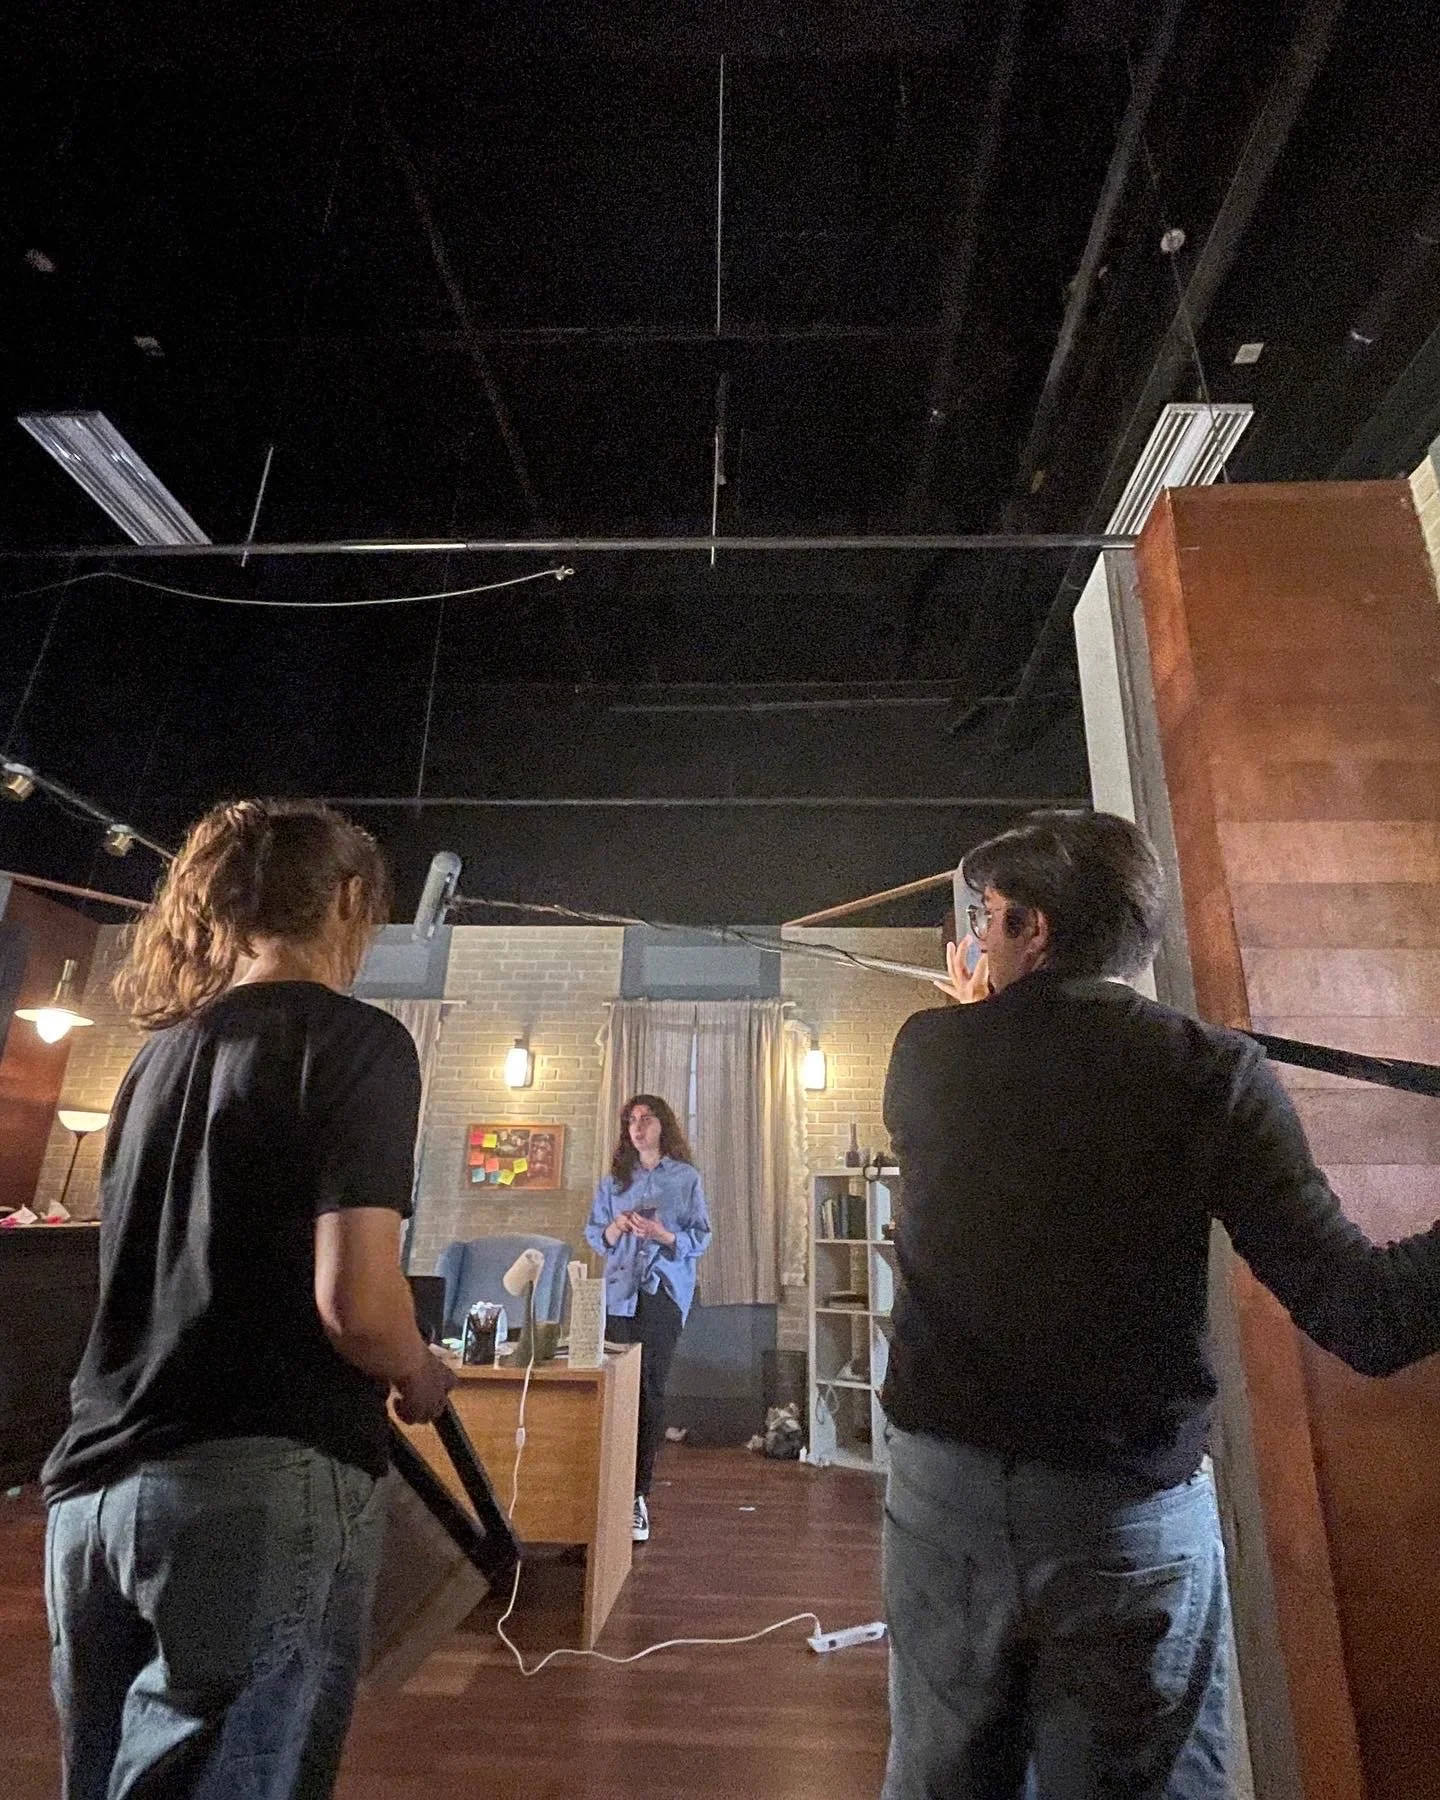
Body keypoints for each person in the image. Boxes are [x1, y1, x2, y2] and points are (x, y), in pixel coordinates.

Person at [879, 808, 1440, 1800]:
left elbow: (1008, 1072)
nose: (978, 940)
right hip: (1117, 1517)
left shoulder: (928, 1053)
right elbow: (1368, 1315)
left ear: (1034, 929)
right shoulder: (1213, 1074)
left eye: (989, 916)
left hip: (942, 1498)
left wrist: (985, 1019)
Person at [42, 798, 454, 1800]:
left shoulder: (156, 1057)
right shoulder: (358, 1042)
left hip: (94, 1494)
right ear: (348, 898)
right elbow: (357, 1303)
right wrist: (418, 1369)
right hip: (255, 1488)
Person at [585, 1094, 711, 1542]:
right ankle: (608, 1490)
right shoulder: (614, 1182)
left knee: (649, 1389)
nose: (638, 1127)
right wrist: (615, 1227)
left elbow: (701, 1237)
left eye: (646, 1119)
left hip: (663, 1294)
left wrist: (663, 1234)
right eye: (631, 1121)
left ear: (663, 1126)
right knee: (616, 1388)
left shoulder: (686, 1178)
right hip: (618, 1296)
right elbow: (595, 1236)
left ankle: (638, 1495)